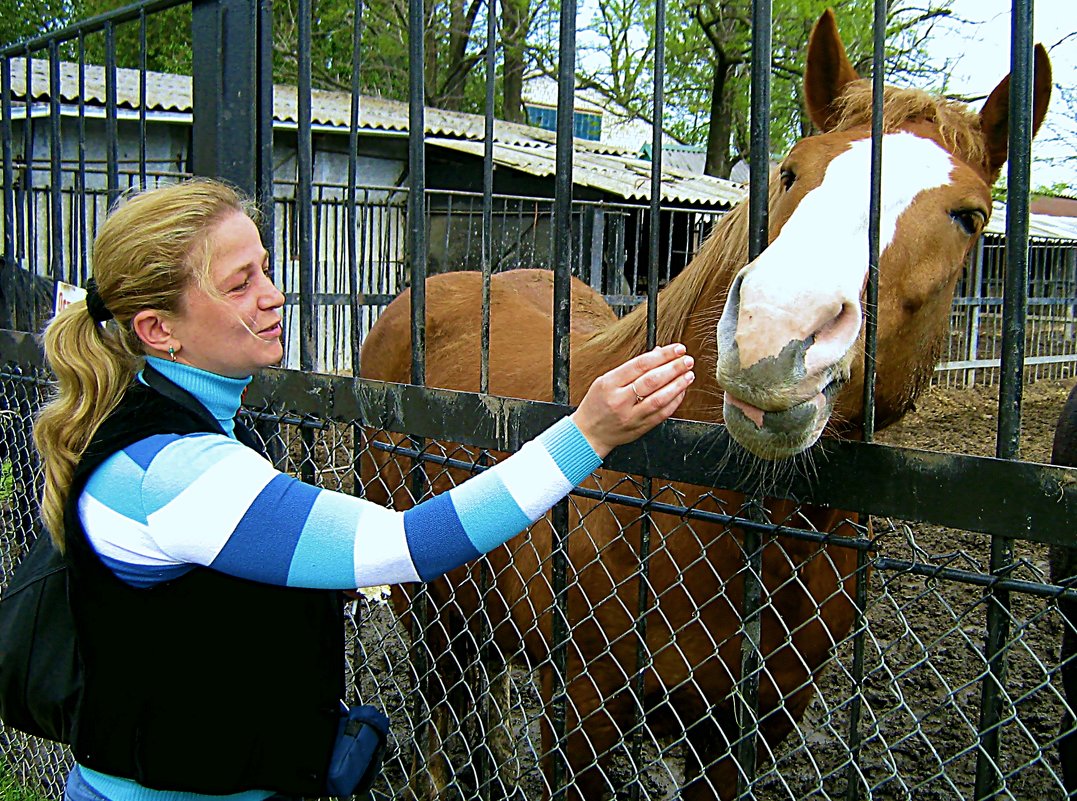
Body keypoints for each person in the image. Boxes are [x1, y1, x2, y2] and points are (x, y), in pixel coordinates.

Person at [32, 178, 695, 801]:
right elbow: (405, 543)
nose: (273, 294)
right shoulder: (178, 473)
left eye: (265, 268)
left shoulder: (159, 421)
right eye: (239, 285)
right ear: (158, 330)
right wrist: (588, 431)